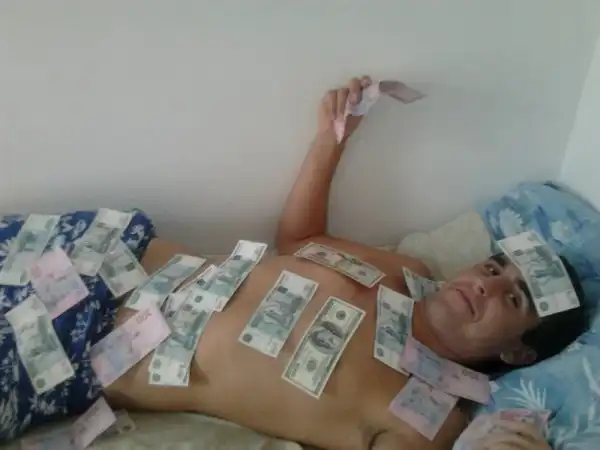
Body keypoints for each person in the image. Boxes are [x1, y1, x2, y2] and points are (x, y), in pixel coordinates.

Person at [98, 76, 587, 450]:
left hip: (87, 350)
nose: (487, 284)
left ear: (518, 354)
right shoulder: (405, 270)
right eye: (494, 268)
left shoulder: (426, 419)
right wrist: (332, 140)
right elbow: (300, 241)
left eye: (514, 298)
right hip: (116, 249)